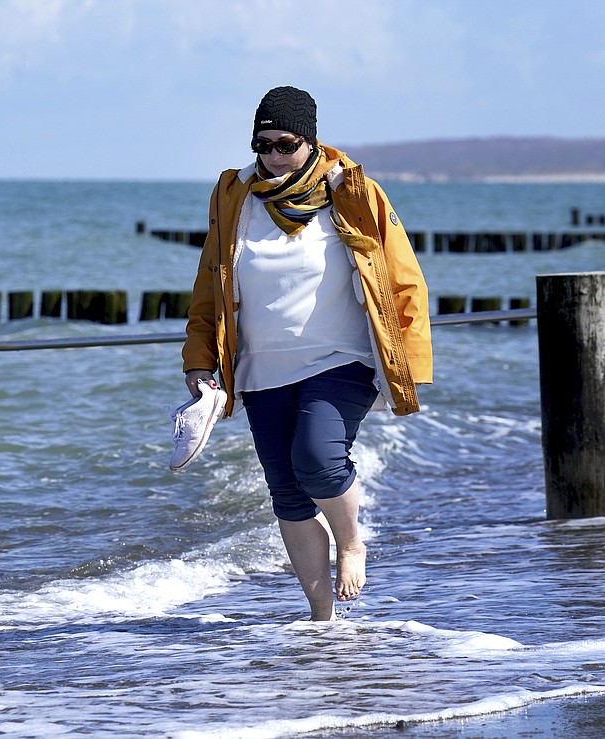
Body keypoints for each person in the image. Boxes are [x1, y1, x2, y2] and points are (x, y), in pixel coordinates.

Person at [181, 86, 432, 621]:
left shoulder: (353, 192)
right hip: (261, 368)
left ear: (311, 141)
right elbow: (210, 285)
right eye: (262, 143)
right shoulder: (235, 199)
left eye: (286, 143)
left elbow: (404, 277)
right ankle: (321, 623)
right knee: (288, 496)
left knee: (317, 459)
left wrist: (407, 365)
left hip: (341, 358)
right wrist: (199, 361)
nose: (273, 155)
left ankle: (351, 542)